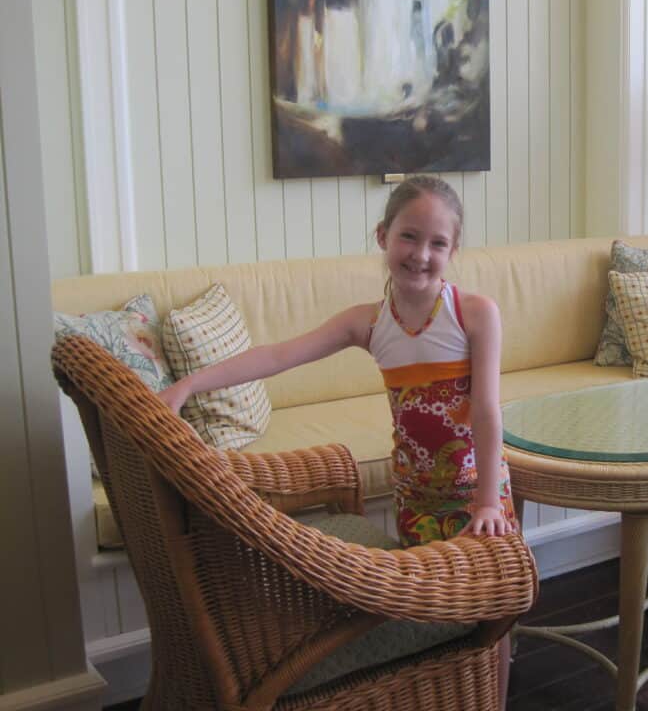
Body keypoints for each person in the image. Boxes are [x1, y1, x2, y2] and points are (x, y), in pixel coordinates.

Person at [158, 175, 518, 702]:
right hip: (416, 497)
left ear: (454, 249)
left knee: (493, 612)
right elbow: (278, 355)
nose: (421, 254)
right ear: (382, 237)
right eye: (409, 237)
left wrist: (488, 499)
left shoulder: (475, 314)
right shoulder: (369, 324)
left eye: (438, 243)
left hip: (478, 493)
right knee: (439, 616)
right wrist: (189, 384)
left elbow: (486, 411)